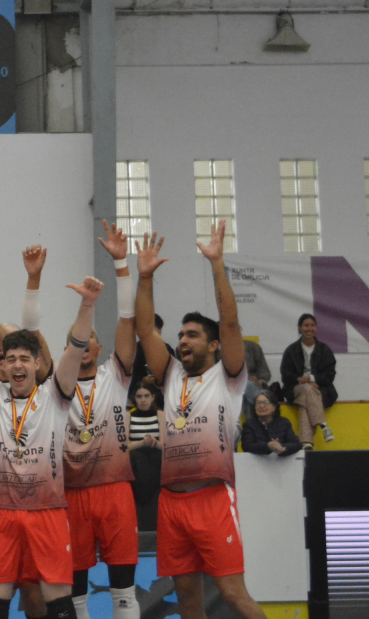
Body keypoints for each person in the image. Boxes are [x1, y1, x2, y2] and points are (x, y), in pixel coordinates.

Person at [134, 222, 266, 619]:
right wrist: (144, 277)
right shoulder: (171, 374)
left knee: (232, 595)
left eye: (193, 334)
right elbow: (144, 328)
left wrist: (216, 263)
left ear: (212, 345)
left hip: (212, 498)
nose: (184, 340)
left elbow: (229, 322)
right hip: (171, 503)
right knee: (188, 599)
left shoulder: (228, 376)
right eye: (181, 335)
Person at [0, 273, 103, 619]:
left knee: (60, 608)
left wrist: (87, 304)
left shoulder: (55, 394)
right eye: (10, 359)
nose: (17, 364)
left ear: (37, 364)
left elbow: (76, 347)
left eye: (24, 358)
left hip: (47, 510)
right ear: (2, 365)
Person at [60, 222, 140, 619]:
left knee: (123, 589)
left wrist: (122, 263)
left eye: (90, 339)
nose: (84, 347)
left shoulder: (116, 374)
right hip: (70, 493)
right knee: (75, 593)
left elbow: (128, 320)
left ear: (99, 346)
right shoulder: (56, 387)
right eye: (75, 342)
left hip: (114, 489)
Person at [280, 314, 337, 449]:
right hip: (296, 388)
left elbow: (330, 374)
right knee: (306, 389)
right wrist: (299, 380)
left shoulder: (324, 349)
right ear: (300, 328)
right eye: (306, 325)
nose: (309, 329)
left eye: (312, 325)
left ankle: (306, 442)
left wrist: (313, 380)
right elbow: (285, 374)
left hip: (320, 389)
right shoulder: (291, 350)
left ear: (316, 328)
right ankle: (323, 425)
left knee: (305, 402)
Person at [240, 392, 301, 457]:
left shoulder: (284, 422)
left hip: (282, 463)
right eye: (258, 403)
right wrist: (268, 446)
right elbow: (247, 446)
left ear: (274, 407)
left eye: (266, 403)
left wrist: (281, 447)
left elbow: (296, 444)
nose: (261, 406)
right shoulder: (249, 424)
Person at [241, 338, 273, 420]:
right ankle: (265, 418)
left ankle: (252, 430)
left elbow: (264, 372)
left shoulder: (252, 347)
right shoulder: (219, 352)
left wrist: (260, 382)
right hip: (231, 389)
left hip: (253, 386)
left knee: (249, 386)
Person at [128, 377, 164, 449]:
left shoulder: (160, 414)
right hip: (134, 458)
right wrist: (142, 443)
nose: (143, 400)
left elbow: (165, 446)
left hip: (156, 457)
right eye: (139, 396)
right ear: (135, 398)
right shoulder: (128, 416)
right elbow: (123, 448)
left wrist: (155, 442)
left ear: (153, 397)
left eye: (146, 396)